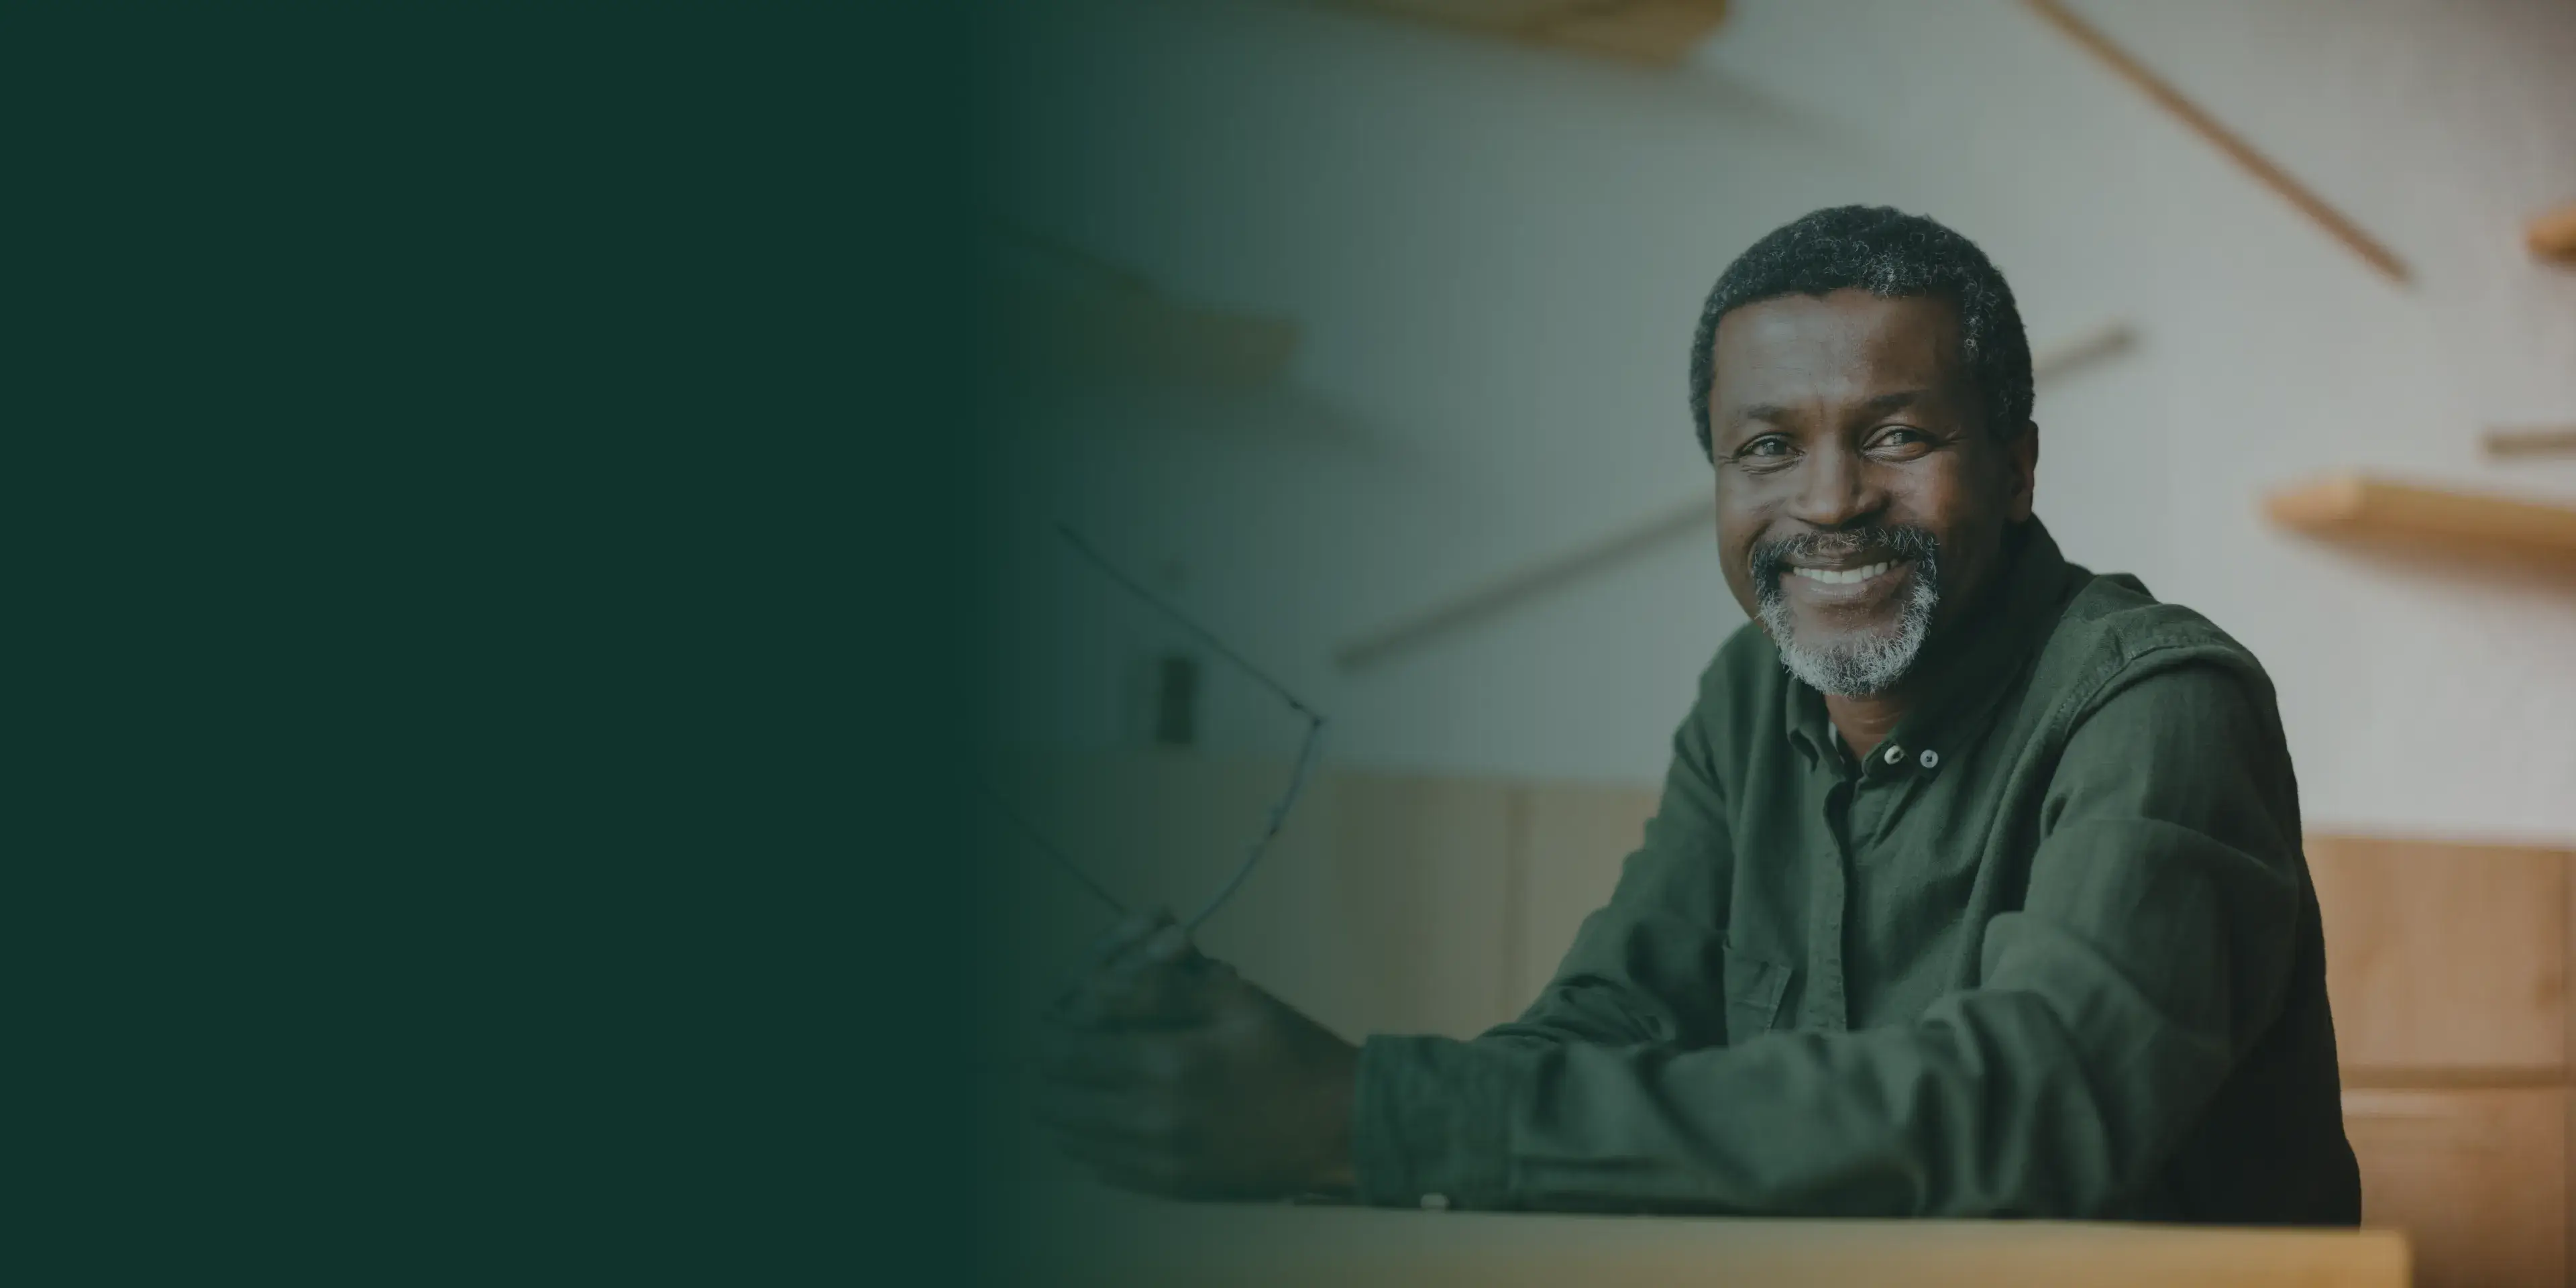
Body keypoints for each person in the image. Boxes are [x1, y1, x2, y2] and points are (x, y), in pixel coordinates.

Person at [1034, 205, 2361, 1223]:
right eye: (1767, 449)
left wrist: (1373, 1115)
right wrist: (1269, 1095)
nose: (1828, 502)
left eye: (1898, 435)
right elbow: (1609, 1025)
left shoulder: (2159, 703)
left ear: (2016, 469)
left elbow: (2035, 1103)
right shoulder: (1753, 695)